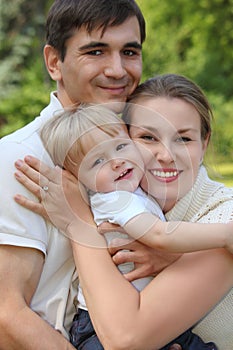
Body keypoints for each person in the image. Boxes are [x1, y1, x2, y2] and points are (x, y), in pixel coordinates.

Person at [14, 74, 233, 348]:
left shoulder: (225, 217)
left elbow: (126, 338)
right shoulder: (117, 201)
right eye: (147, 137)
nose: (165, 155)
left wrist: (78, 223)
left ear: (205, 143)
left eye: (184, 139)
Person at [0, 1, 153, 348]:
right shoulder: (21, 158)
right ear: (55, 62)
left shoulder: (136, 145)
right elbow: (7, 314)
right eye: (96, 51)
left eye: (129, 51)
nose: (117, 70)